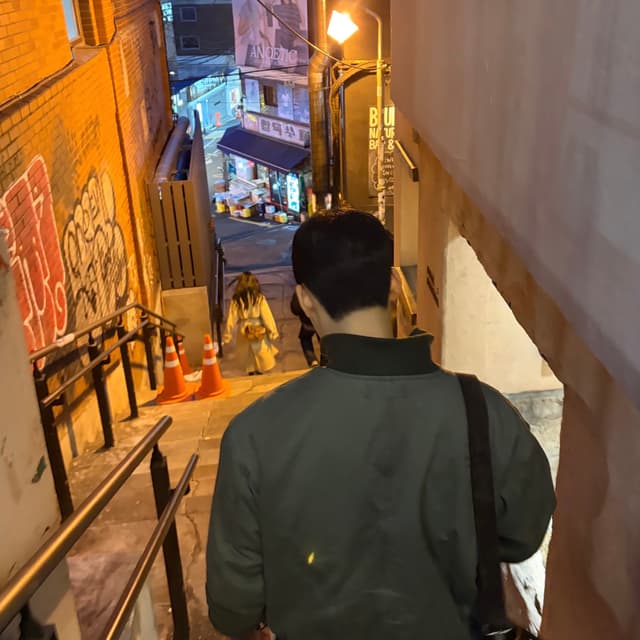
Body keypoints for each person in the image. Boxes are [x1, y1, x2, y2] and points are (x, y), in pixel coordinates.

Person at [206, 210, 555, 639]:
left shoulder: (253, 434)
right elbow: (525, 533)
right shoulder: (483, 410)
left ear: (306, 300)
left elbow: (233, 609)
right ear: (393, 285)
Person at [223, 271, 279, 375]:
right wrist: (273, 331)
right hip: (258, 328)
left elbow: (231, 319)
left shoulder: (236, 300)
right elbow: (267, 316)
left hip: (244, 329)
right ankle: (260, 369)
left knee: (247, 352)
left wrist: (227, 335)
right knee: (260, 350)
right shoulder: (259, 298)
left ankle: (251, 370)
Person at [290, 291, 318, 367]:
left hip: (308, 322)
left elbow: (295, 309)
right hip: (323, 323)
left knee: (305, 338)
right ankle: (326, 359)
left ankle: (312, 360)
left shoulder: (301, 290)